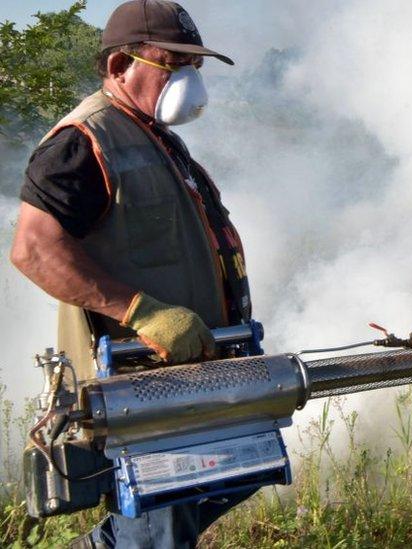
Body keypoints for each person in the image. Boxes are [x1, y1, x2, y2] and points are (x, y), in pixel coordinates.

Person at [9, 1, 254, 547]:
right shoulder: (83, 140)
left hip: (184, 374)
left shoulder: (152, 134)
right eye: (174, 64)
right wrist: (142, 313)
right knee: (157, 529)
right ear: (121, 65)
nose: (190, 80)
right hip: (138, 383)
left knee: (212, 489)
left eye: (196, 66)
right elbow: (33, 250)